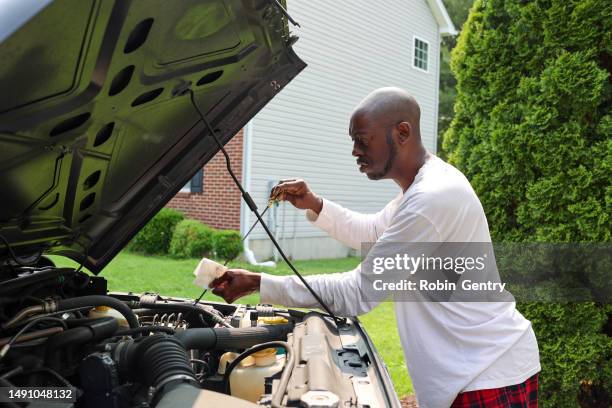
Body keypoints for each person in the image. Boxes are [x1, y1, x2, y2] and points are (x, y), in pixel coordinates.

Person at [210, 87, 540, 408]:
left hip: (486, 373)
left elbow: (359, 292)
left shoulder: (431, 197)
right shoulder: (420, 189)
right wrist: (315, 204)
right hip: (474, 368)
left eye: (363, 140)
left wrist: (260, 283)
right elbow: (371, 231)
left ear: (402, 132)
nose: (355, 151)